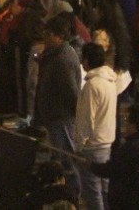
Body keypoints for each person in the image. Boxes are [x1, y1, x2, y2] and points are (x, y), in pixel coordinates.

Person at [34, 15, 82, 194]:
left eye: (49, 33)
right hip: (55, 117)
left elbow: (72, 94)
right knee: (58, 159)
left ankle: (73, 197)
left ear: (60, 36)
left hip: (61, 119)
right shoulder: (55, 54)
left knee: (66, 163)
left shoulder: (63, 59)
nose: (45, 36)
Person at [92, 103, 139, 210]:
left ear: (134, 124)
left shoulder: (131, 148)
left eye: (125, 119)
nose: (123, 122)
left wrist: (91, 165)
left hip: (129, 203)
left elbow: (111, 170)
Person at [74, 42, 117, 210]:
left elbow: (86, 119)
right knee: (105, 188)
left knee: (92, 191)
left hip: (92, 144)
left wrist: (79, 144)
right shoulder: (110, 81)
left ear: (86, 61)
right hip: (107, 141)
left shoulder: (92, 86)